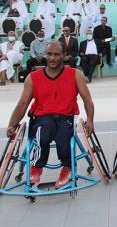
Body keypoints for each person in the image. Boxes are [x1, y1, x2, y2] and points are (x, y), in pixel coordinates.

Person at [6, 41, 94, 188]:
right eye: (49, 54)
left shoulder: (75, 75)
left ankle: (67, 168)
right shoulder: (33, 77)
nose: (52, 58)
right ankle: (36, 167)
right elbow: (22, 105)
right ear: (45, 55)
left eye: (56, 54)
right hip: (42, 118)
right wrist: (12, 125)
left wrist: (90, 120)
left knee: (63, 137)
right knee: (42, 132)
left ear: (64, 56)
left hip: (65, 117)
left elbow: (88, 100)